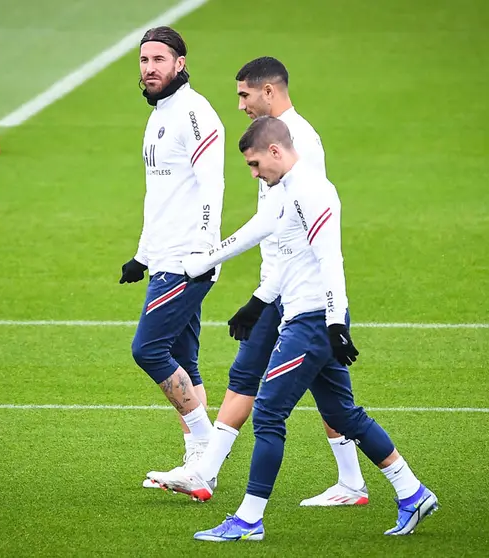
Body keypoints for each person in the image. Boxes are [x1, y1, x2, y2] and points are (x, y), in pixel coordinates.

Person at [193, 117, 438, 541]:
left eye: (254, 164)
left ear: (275, 151)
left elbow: (330, 259)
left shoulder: (312, 190)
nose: (253, 175)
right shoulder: (287, 191)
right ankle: (411, 492)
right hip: (302, 316)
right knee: (343, 413)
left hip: (311, 324)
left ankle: (249, 520)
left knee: (268, 412)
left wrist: (336, 322)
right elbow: (290, 258)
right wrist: (259, 302)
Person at [148, 57, 368, 506]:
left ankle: (349, 485)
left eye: (245, 95)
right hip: (280, 286)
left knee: (309, 394)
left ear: (269, 92)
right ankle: (208, 472)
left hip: (295, 289)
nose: (241, 105)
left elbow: (278, 223)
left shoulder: (295, 140)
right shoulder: (274, 139)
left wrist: (216, 263)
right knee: (255, 375)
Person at [120, 26, 225, 488]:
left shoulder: (195, 113)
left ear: (180, 63)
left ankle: (208, 448)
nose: (149, 69)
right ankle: (200, 471)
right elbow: (159, 193)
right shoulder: (161, 112)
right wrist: (142, 255)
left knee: (148, 349)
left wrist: (204, 247)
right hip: (164, 255)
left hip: (187, 259)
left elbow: (211, 184)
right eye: (144, 61)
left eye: (159, 60)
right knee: (185, 357)